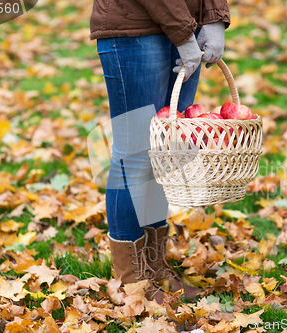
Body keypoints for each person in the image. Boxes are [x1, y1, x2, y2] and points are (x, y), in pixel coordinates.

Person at [89, 0, 230, 302]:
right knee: (135, 153)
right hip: (135, 25)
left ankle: (153, 265)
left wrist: (215, 18)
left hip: (186, 27)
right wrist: (183, 32)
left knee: (163, 151)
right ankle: (130, 280)